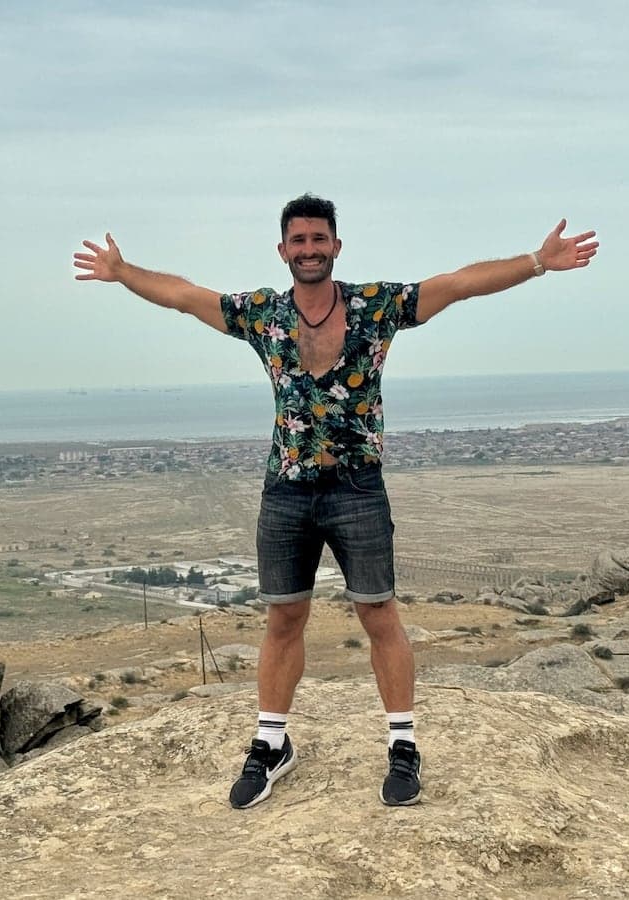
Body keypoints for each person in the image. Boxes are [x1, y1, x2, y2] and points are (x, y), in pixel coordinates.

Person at [72, 194, 599, 809]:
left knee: (379, 614)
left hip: (357, 488)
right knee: (283, 618)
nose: (309, 250)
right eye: (298, 241)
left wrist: (537, 261)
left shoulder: (377, 307)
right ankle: (272, 744)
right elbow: (187, 296)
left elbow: (457, 285)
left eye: (319, 239)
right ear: (283, 251)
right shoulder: (263, 315)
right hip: (287, 488)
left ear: (336, 247)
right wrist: (123, 272)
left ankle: (404, 746)